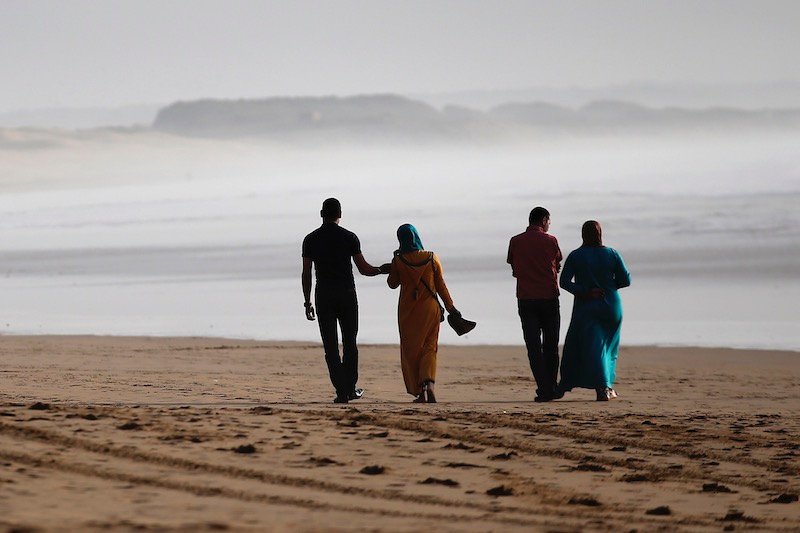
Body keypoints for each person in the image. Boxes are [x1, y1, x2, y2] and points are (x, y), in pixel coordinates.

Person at [302, 198, 389, 404]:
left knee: (330, 346)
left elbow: (306, 273)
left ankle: (342, 391)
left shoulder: (310, 239)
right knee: (350, 343)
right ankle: (349, 388)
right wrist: (382, 269)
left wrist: (307, 302)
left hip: (323, 295)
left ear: (321, 214)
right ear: (340, 215)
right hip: (347, 295)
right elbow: (364, 269)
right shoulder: (349, 237)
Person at [557, 220, 631, 401]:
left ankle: (583, 386)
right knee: (607, 348)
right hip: (611, 306)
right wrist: (610, 285)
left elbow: (564, 282)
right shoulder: (612, 254)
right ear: (600, 234)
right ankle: (605, 386)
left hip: (587, 306)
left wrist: (585, 291)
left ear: (583, 235)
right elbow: (626, 280)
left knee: (579, 346)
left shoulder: (576, 256)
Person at [387, 224, 460, 403]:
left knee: (411, 351)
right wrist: (451, 307)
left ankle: (420, 392)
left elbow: (392, 283)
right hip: (430, 309)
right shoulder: (431, 257)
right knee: (429, 347)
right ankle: (429, 384)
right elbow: (441, 285)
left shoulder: (399, 260)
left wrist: (394, 262)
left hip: (408, 312)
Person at [507, 206, 563, 402]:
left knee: (533, 347)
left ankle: (544, 387)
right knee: (551, 345)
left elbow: (514, 270)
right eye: (549, 221)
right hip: (549, 297)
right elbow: (557, 263)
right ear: (544, 220)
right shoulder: (551, 240)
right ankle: (551, 386)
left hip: (526, 298)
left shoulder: (515, 241)